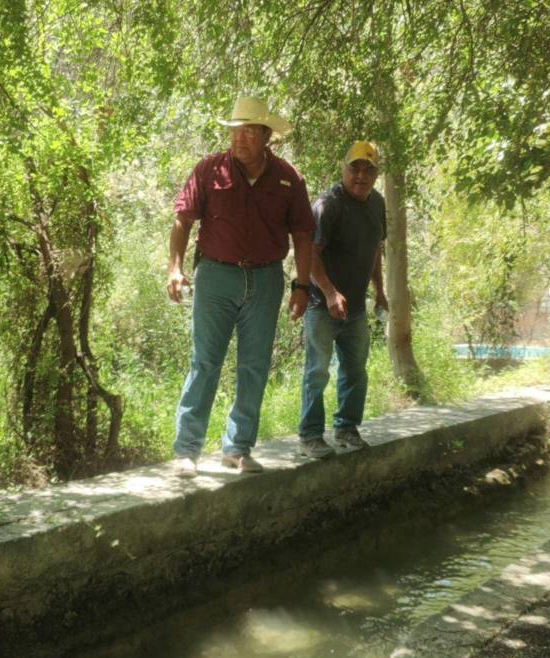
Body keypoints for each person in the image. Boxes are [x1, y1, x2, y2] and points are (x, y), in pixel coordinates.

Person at [166, 96, 315, 478]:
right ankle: (187, 451)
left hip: (266, 280)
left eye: (249, 131)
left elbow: (302, 233)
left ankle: (238, 448)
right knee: (205, 363)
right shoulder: (209, 170)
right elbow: (183, 219)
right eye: (236, 130)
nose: (240, 138)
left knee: (254, 366)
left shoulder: (288, 178)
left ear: (266, 136)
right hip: (216, 277)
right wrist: (175, 267)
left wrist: (301, 285)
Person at [298, 141, 389, 457]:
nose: (360, 175)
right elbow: (309, 253)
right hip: (321, 306)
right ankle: (310, 436)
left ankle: (347, 429)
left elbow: (377, 249)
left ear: (376, 174)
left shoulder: (377, 204)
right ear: (343, 169)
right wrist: (329, 292)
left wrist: (380, 291)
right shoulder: (328, 205)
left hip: (356, 307)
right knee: (318, 371)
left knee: (355, 369)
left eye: (368, 170)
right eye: (355, 168)